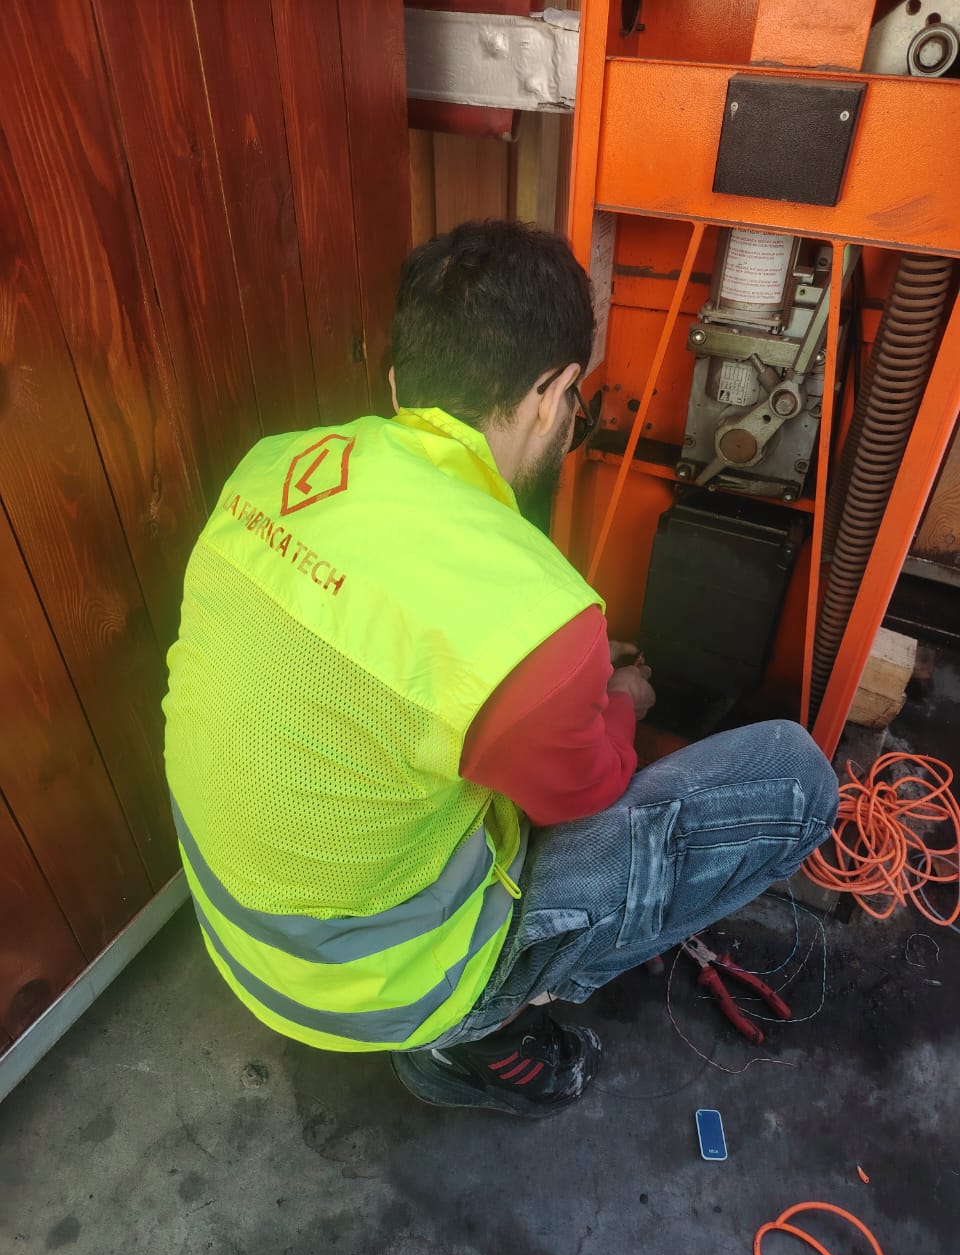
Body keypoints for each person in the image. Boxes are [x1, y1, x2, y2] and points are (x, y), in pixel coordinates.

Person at [163, 220, 838, 1119]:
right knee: (794, 775)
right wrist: (622, 700)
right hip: (379, 989)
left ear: (401, 377)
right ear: (556, 389)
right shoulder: (539, 611)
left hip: (236, 942)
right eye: (569, 400)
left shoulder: (272, 468)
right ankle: (470, 1029)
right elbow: (587, 793)